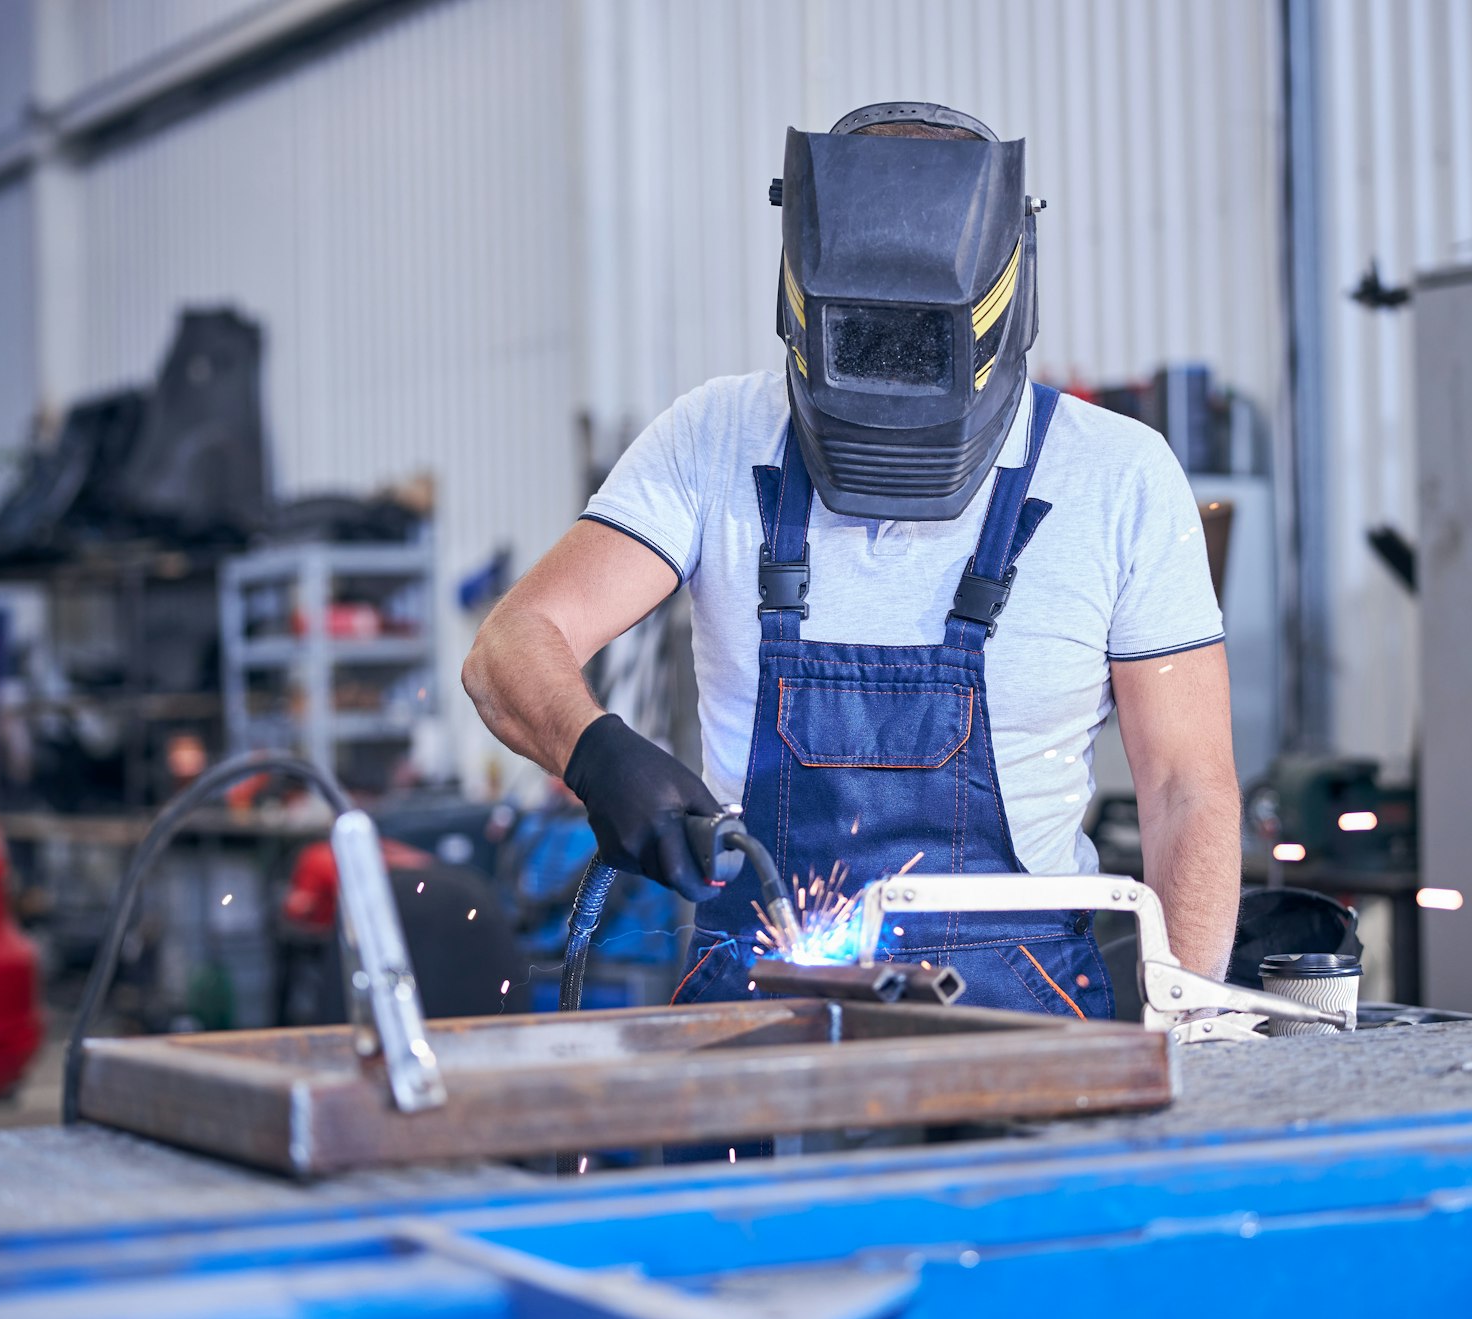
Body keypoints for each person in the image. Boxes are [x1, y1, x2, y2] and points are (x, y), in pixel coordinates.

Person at [464, 102, 1239, 1018]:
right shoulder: (714, 439)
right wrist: (594, 751)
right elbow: (510, 646)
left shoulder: (1119, 476)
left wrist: (1189, 1030)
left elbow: (1188, 790)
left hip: (1020, 1020)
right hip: (761, 1002)